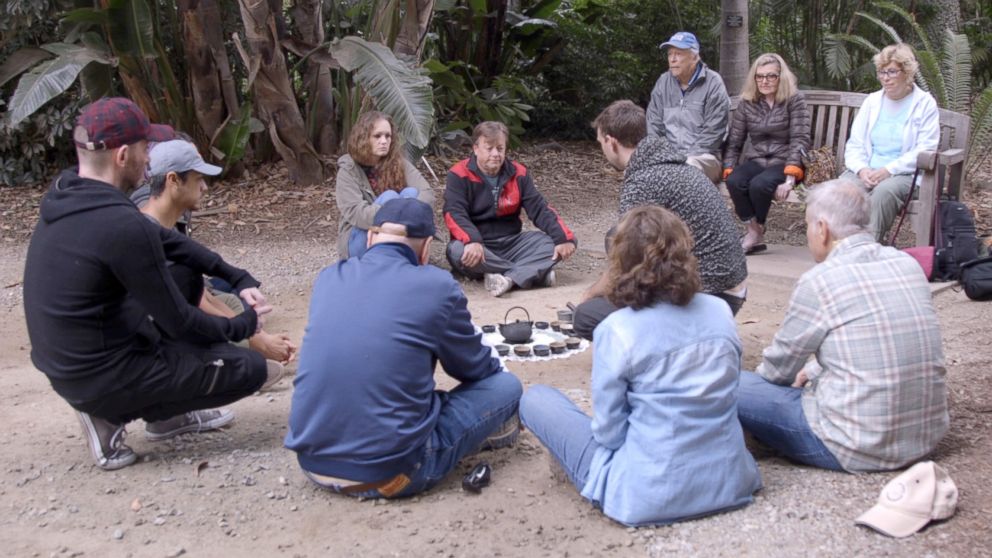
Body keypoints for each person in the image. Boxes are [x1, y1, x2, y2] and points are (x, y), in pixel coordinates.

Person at [23, 97, 280, 471]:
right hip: (97, 378)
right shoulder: (120, 224)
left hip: (70, 360)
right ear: (123, 155)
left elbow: (169, 242)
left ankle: (159, 412)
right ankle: (110, 415)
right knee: (250, 368)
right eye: (146, 149)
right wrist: (245, 326)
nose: (150, 160)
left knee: (184, 273)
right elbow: (182, 322)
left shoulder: (69, 193)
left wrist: (237, 276)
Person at [520, 206, 762, 527]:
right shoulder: (720, 311)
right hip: (731, 481)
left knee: (536, 399)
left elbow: (609, 433)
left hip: (646, 494)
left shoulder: (617, 329)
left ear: (622, 262)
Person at [286, 198, 522, 498]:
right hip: (394, 474)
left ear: (371, 238)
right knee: (506, 386)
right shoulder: (437, 286)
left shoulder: (329, 277)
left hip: (312, 464)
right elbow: (476, 369)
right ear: (425, 249)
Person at [737, 179, 949, 472]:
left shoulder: (820, 281)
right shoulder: (906, 264)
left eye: (809, 225)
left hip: (852, 446)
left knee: (732, 384)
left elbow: (777, 372)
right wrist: (813, 369)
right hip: (924, 438)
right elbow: (874, 338)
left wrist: (762, 390)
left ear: (822, 229)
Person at [574, 100, 747, 340]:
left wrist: (591, 293)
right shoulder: (670, 162)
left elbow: (624, 260)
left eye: (601, 142)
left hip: (707, 296)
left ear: (611, 142)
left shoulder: (643, 180)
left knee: (586, 316)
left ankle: (663, 342)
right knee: (614, 235)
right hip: (730, 290)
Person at [140, 139, 297, 366]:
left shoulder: (167, 225)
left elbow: (204, 295)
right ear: (173, 180)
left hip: (178, 314)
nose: (204, 187)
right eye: (198, 179)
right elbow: (197, 303)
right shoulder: (147, 234)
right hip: (155, 331)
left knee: (231, 303)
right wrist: (261, 342)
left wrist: (257, 335)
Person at [444, 121, 577, 297]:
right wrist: (472, 240)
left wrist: (562, 238)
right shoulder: (458, 173)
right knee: (456, 251)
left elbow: (539, 208)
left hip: (513, 243)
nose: (495, 154)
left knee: (556, 243)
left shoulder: (518, 173)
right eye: (489, 148)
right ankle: (532, 274)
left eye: (500, 148)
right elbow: (453, 212)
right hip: (479, 246)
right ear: (476, 148)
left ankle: (507, 278)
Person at [842, 43, 940, 242]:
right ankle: (841, 246)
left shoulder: (924, 103)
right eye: (881, 72)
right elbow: (855, 144)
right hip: (869, 170)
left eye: (892, 72)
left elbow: (926, 148)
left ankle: (868, 248)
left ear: (907, 72)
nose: (885, 78)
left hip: (906, 174)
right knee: (841, 190)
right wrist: (862, 169)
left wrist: (888, 170)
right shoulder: (872, 101)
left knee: (882, 194)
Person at [723, 53, 811, 254]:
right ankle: (755, 230)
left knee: (759, 184)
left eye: (771, 76)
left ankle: (754, 232)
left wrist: (790, 179)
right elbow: (735, 141)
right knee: (735, 181)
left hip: (785, 161)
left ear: (781, 77)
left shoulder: (794, 100)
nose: (765, 81)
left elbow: (800, 138)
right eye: (760, 76)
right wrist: (729, 167)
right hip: (757, 159)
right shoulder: (748, 103)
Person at [335, 110, 433, 259]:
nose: (384, 141)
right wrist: (397, 214)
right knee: (390, 197)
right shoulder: (348, 170)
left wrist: (400, 215)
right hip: (361, 237)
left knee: (411, 194)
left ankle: (396, 257)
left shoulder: (398, 163)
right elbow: (357, 213)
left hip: (396, 232)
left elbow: (427, 194)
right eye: (377, 136)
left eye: (388, 136)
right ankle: (400, 256)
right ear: (363, 138)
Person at [646, 31, 731, 183]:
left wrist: (681, 159)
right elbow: (654, 125)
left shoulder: (713, 83)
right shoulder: (663, 82)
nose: (672, 59)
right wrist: (666, 156)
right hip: (669, 156)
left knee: (689, 167)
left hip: (705, 157)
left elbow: (713, 132)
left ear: (694, 57)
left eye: (678, 54)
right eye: (670, 54)